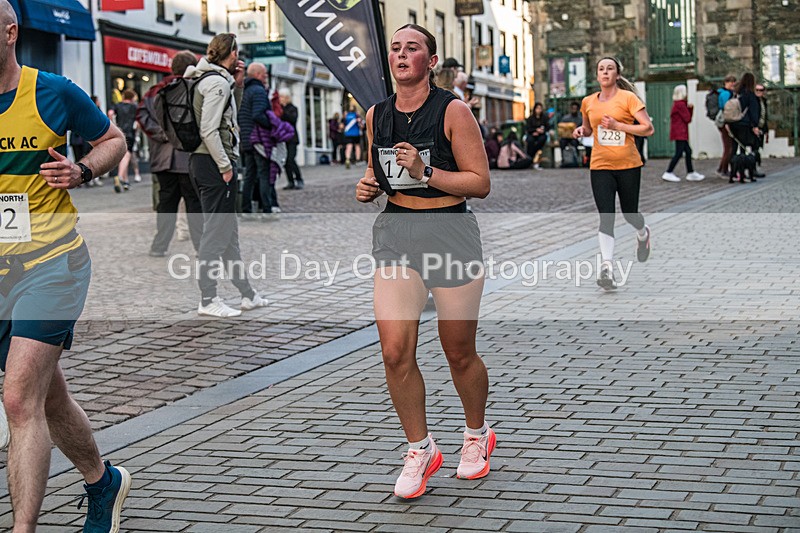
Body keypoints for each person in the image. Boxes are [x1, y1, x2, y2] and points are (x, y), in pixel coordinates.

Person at [0, 2, 132, 530]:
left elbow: (113, 140)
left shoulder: (52, 91)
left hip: (51, 263)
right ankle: (103, 481)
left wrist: (82, 171)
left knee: (17, 399)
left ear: (10, 32)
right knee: (47, 397)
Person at [355, 23, 494, 500]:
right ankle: (420, 448)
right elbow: (375, 171)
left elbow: (480, 183)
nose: (400, 54)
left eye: (412, 48)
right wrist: (367, 187)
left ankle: (476, 434)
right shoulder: (376, 114)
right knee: (395, 350)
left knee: (458, 350)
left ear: (430, 62)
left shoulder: (453, 111)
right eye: (395, 48)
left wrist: (426, 170)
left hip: (450, 231)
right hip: (396, 232)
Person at [185, 33, 268, 317]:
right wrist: (225, 166)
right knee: (215, 233)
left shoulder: (212, 79)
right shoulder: (217, 83)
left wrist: (239, 85)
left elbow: (227, 117)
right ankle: (208, 299)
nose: (238, 57)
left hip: (202, 161)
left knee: (227, 232)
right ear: (231, 53)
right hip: (212, 164)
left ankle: (248, 294)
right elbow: (209, 129)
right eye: (237, 52)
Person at [573, 57, 654, 290]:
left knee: (630, 214)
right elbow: (589, 128)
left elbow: (648, 128)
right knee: (606, 216)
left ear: (617, 75)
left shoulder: (628, 98)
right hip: (600, 166)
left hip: (628, 165)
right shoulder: (588, 101)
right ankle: (606, 268)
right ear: (597, 75)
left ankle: (643, 233)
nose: (605, 72)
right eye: (601, 69)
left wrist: (619, 126)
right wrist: (582, 131)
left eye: (610, 69)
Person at [136, 50, 204, 257]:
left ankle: (159, 246)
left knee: (166, 204)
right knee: (194, 204)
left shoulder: (155, 90)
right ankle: (201, 247)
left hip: (163, 158)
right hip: (189, 157)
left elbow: (142, 116)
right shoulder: (196, 88)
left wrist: (162, 134)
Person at [238, 62, 274, 218]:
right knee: (264, 174)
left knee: (250, 176)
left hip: (246, 139)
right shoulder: (259, 91)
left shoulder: (243, 90)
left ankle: (246, 209)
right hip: (258, 139)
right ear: (258, 74)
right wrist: (271, 125)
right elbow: (258, 114)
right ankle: (267, 209)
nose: (266, 77)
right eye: (264, 74)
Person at [661, 84, 704, 182]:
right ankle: (669, 172)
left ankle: (690, 172)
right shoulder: (681, 105)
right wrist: (691, 109)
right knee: (679, 152)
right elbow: (687, 118)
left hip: (679, 132)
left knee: (688, 151)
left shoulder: (678, 104)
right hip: (680, 132)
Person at [729, 72, 761, 182]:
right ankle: (744, 173)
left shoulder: (736, 93)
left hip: (733, 123)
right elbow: (753, 111)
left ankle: (733, 172)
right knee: (744, 148)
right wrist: (755, 125)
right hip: (744, 124)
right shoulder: (750, 94)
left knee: (734, 148)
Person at [109, 89, 138, 192]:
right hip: (130, 133)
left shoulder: (118, 105)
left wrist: (113, 126)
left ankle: (126, 182)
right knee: (126, 155)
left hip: (120, 132)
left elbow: (110, 113)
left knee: (122, 155)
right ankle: (120, 177)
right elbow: (138, 121)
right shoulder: (134, 107)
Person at [278, 88, 304, 190]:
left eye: (282, 97)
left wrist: (283, 111)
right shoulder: (278, 108)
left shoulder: (293, 108)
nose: (281, 99)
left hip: (292, 138)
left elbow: (292, 119)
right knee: (285, 161)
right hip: (282, 137)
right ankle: (290, 181)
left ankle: (299, 179)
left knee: (291, 159)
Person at [715, 74, 737, 178]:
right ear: (726, 83)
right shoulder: (725, 94)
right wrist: (728, 123)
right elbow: (726, 108)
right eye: (730, 82)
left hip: (725, 121)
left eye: (733, 82)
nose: (732, 84)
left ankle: (721, 168)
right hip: (725, 122)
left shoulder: (725, 93)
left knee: (728, 147)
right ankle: (724, 169)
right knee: (728, 147)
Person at [525, 102, 549, 169]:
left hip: (541, 135)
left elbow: (547, 127)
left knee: (542, 139)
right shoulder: (530, 118)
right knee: (530, 141)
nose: (539, 110)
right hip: (532, 134)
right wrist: (535, 130)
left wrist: (542, 131)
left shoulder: (544, 118)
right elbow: (528, 128)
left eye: (540, 108)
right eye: (537, 108)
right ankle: (530, 158)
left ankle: (533, 154)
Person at [754, 83, 768, 177]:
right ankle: (753, 169)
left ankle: (755, 168)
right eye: (757, 90)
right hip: (755, 127)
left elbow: (765, 116)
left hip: (761, 127)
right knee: (754, 149)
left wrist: (766, 129)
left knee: (758, 148)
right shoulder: (753, 101)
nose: (759, 92)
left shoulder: (764, 101)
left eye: (761, 90)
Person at [343, 104, 363, 169]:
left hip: (348, 133)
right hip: (356, 133)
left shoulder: (346, 115)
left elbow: (342, 125)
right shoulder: (357, 115)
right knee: (357, 146)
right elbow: (362, 126)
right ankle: (357, 160)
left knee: (349, 146)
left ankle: (347, 159)